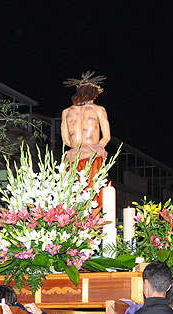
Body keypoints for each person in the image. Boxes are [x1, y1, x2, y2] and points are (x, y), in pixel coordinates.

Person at [61, 71, 111, 210]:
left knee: (75, 194)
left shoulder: (67, 112)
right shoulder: (99, 109)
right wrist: (93, 149)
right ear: (93, 93)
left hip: (73, 157)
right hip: (93, 158)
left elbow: (65, 139)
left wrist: (80, 150)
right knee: (93, 194)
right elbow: (106, 137)